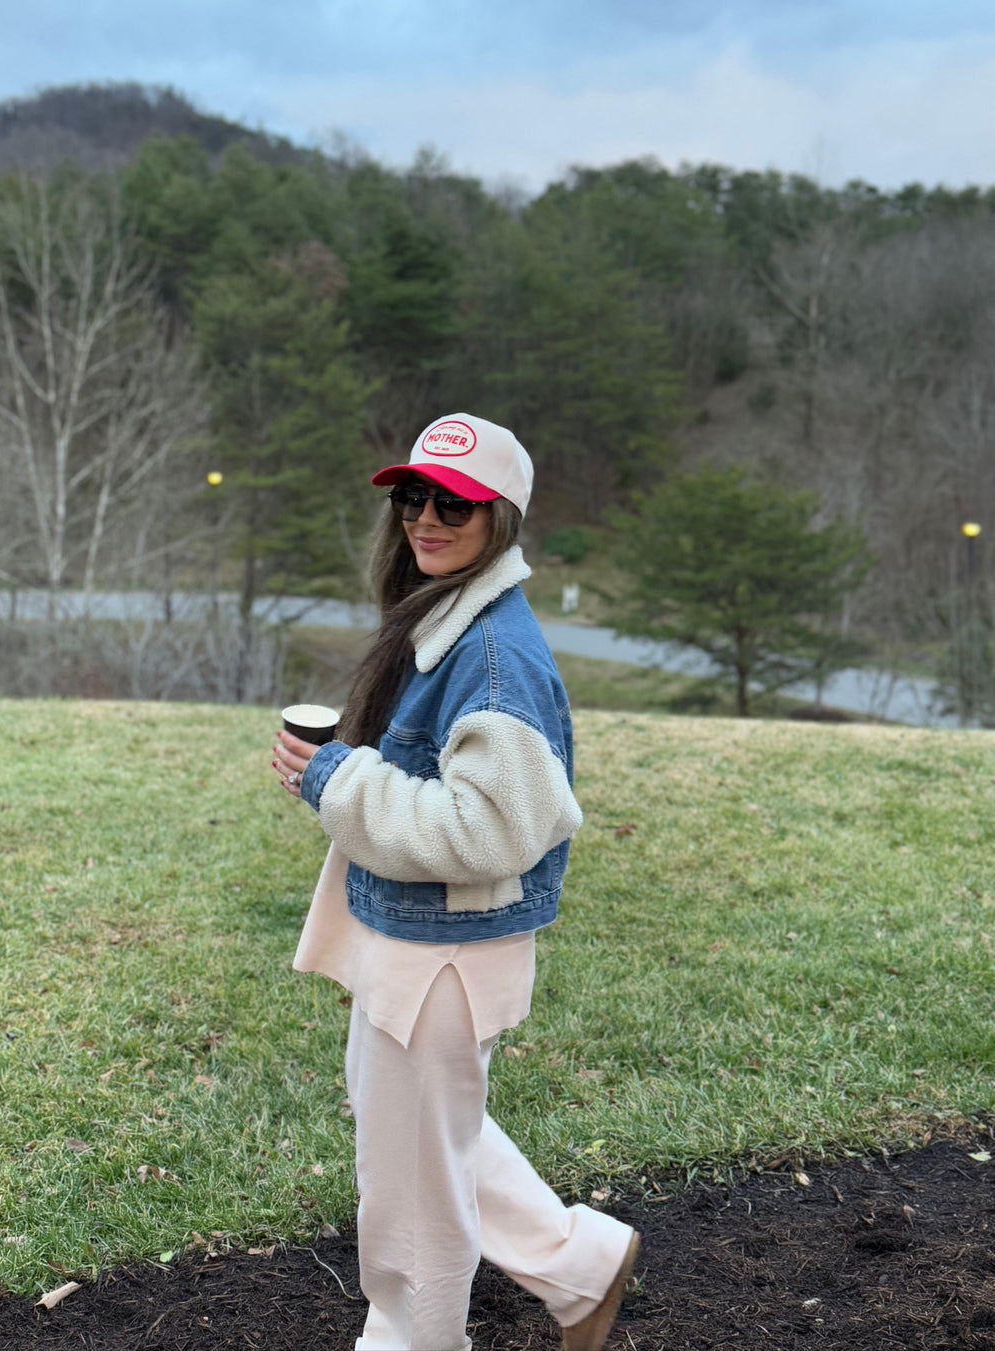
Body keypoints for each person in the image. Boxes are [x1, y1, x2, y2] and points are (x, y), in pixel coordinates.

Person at [272, 413, 639, 1351]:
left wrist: (335, 777)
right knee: (420, 1141)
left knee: (411, 1209)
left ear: (501, 518)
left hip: (441, 956)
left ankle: (414, 1338)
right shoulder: (450, 617)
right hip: (421, 944)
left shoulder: (491, 657)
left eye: (456, 503)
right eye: (412, 497)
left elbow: (491, 828)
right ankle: (580, 1266)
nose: (426, 519)